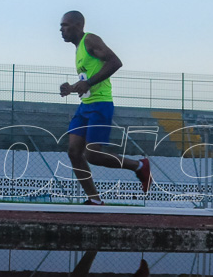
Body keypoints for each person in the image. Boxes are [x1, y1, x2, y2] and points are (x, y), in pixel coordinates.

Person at [59, 11, 151, 204]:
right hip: (85, 105)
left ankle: (138, 165)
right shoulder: (78, 49)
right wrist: (72, 87)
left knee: (92, 154)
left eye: (65, 25)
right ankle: (94, 199)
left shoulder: (90, 39)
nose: (61, 29)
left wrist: (89, 83)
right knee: (74, 153)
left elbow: (115, 62)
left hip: (100, 105)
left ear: (77, 25)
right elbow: (88, 80)